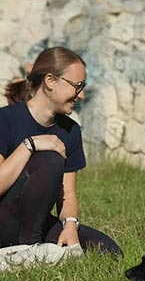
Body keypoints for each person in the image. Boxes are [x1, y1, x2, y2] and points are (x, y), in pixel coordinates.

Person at [0, 46, 121, 256]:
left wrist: (71, 225)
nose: (81, 95)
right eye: (77, 86)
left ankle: (32, 249)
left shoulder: (71, 131)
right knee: (50, 159)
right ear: (50, 81)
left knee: (107, 250)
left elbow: (68, 194)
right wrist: (30, 144)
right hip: (4, 219)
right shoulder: (5, 119)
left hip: (35, 222)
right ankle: (29, 251)